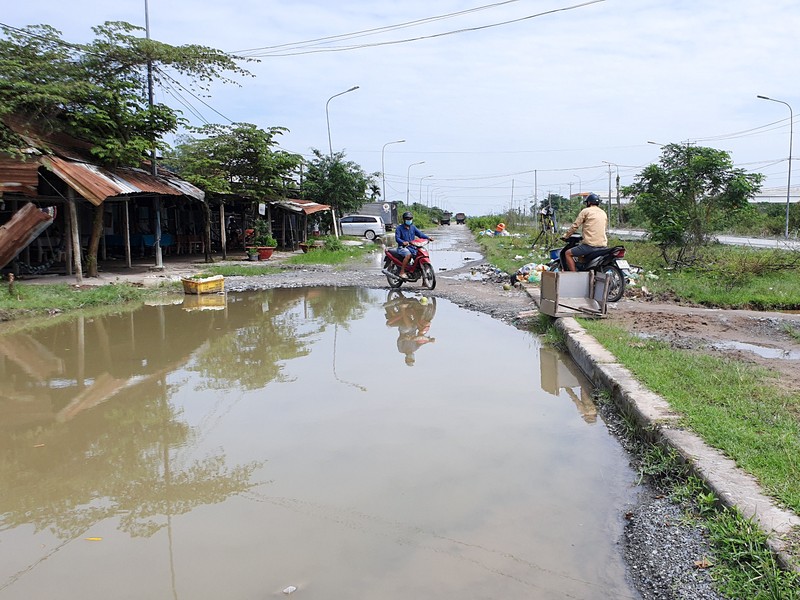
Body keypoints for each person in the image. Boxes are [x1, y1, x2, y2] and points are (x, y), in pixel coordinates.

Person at [562, 193, 608, 271]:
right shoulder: (603, 213)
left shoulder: (586, 211)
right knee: (581, 253)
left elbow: (575, 226)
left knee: (567, 253)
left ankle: (574, 276)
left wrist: (566, 235)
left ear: (589, 202)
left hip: (590, 245)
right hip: (603, 246)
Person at [395, 211, 433, 279]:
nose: (409, 220)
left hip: (412, 247)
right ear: (404, 220)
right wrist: (403, 242)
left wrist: (428, 238)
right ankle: (402, 272)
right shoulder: (399, 228)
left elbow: (420, 234)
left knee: (420, 255)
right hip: (402, 247)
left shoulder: (413, 227)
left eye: (410, 219)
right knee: (408, 255)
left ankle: (424, 280)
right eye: (407, 219)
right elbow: (397, 238)